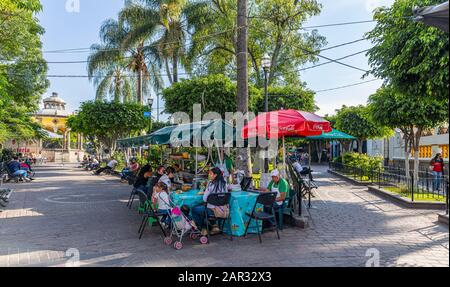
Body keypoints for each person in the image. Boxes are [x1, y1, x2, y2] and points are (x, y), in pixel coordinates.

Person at [192, 167, 228, 236]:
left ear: (215, 175)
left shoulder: (211, 185)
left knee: (194, 209)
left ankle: (203, 227)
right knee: (205, 207)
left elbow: (204, 199)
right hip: (223, 211)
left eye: (211, 174)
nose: (209, 175)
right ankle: (214, 225)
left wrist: (206, 191)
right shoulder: (224, 184)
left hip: (213, 211)